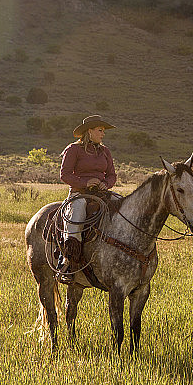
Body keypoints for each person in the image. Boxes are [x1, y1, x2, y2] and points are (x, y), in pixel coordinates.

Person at [57, 115, 117, 282]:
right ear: (89, 131)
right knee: (76, 214)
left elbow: (112, 175)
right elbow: (65, 175)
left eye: (103, 131)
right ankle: (68, 261)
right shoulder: (73, 150)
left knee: (123, 206)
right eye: (100, 130)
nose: (103, 134)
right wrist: (85, 182)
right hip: (79, 194)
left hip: (101, 194)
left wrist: (106, 184)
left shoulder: (105, 151)